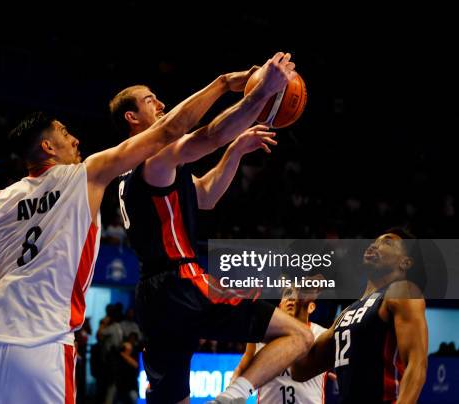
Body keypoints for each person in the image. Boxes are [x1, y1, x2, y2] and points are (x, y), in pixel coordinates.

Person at [0, 60, 285, 403]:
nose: (75, 140)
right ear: (47, 147)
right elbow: (173, 129)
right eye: (64, 133)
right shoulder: (85, 174)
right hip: (42, 344)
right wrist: (226, 84)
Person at [111, 52, 313, 404]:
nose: (160, 103)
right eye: (149, 100)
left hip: (154, 297)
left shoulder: (133, 173)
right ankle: (233, 395)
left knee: (173, 400)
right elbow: (210, 135)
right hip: (181, 282)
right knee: (299, 335)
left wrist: (235, 152)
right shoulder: (152, 158)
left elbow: (205, 196)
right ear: (132, 117)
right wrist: (262, 94)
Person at [291, 229, 428, 404]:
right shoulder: (346, 313)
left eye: (387, 242)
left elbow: (416, 365)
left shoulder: (403, 290)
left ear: (405, 262)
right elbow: (300, 371)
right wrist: (301, 308)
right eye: (375, 241)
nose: (374, 245)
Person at [233, 285, 329, 404]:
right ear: (279, 306)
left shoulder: (323, 334)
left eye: (297, 296)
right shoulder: (261, 334)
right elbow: (242, 368)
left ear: (311, 307)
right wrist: (231, 395)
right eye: (287, 295)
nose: (291, 299)